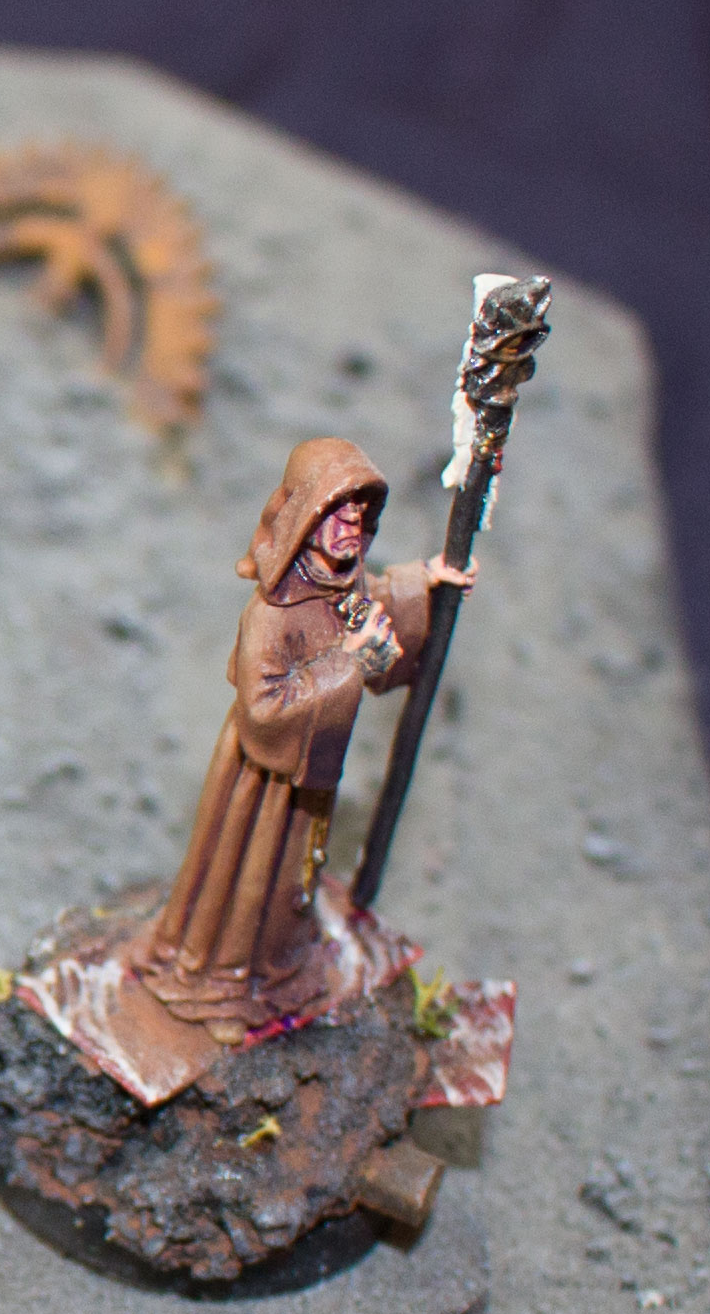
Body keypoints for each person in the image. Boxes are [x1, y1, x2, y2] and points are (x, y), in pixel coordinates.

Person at [128, 437, 470, 1050]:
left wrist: (427, 584)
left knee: (290, 879)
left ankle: (277, 964)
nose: (352, 527)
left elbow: (374, 605)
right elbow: (263, 710)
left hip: (310, 774)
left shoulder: (342, 582)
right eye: (338, 512)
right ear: (306, 517)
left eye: (360, 515)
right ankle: (223, 983)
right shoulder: (272, 614)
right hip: (263, 781)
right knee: (247, 877)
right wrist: (349, 663)